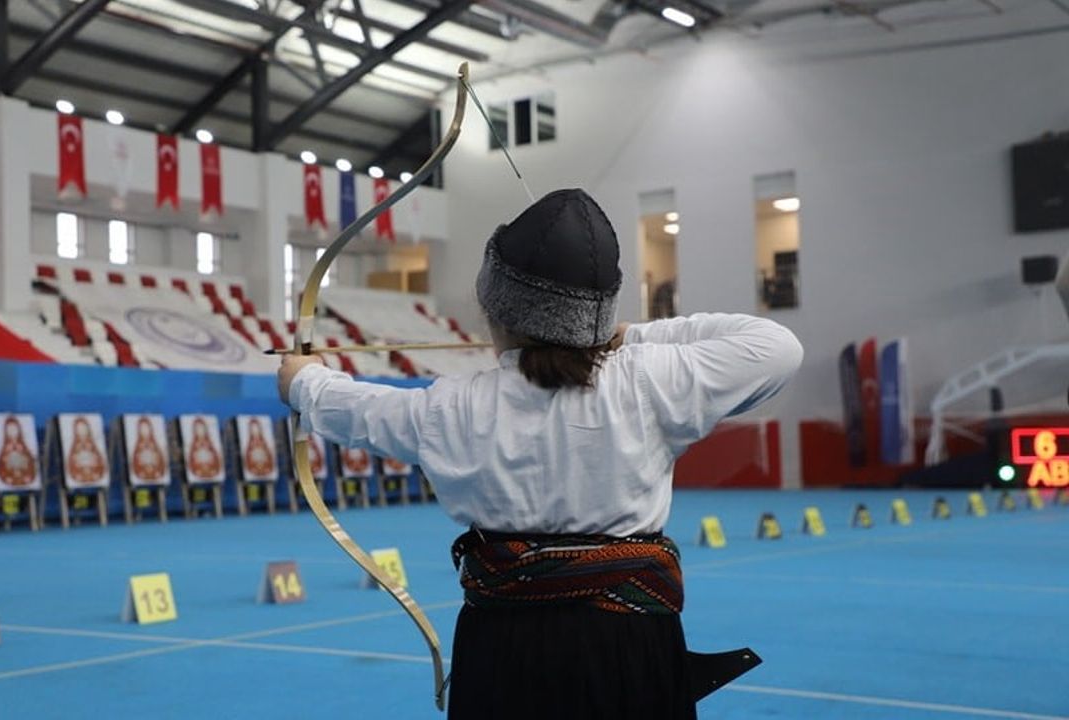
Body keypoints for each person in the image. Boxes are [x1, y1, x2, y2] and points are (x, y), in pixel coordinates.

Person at [278, 188, 803, 719]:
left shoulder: (454, 406)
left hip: (504, 650)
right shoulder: (650, 380)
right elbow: (776, 346)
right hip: (630, 641)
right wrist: (632, 336)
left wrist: (306, 382)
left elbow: (362, 411)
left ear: (494, 313)